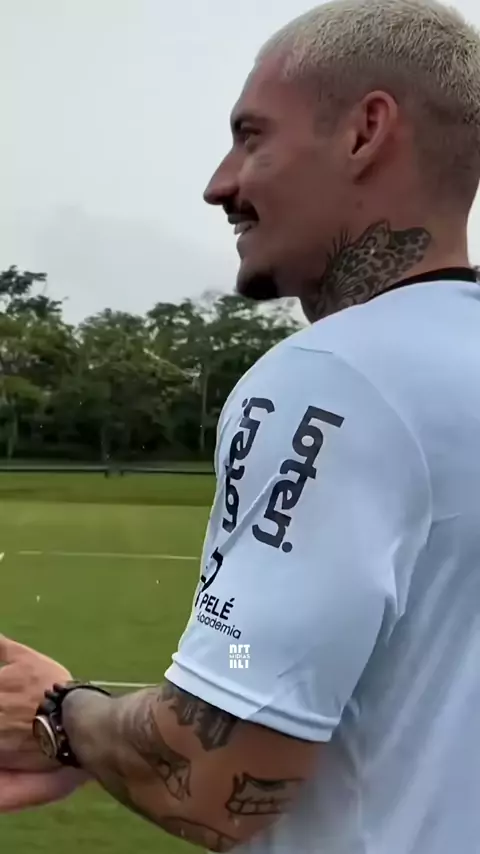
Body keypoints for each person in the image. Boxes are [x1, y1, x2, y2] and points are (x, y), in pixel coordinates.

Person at [1, 0, 480, 851]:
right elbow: (276, 672)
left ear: (366, 132)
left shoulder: (337, 379)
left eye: (252, 137)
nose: (220, 184)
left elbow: (213, 778)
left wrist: (61, 712)